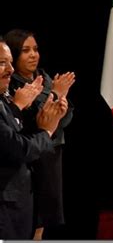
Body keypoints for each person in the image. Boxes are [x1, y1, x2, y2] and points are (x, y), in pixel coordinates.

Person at [4, 29, 75, 240]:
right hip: (29, 158)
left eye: (35, 49)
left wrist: (60, 105)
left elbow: (65, 115)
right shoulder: (10, 85)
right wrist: (55, 95)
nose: (33, 55)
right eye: (26, 51)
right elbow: (33, 119)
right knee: (30, 219)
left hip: (50, 154)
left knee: (44, 220)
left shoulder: (44, 78)